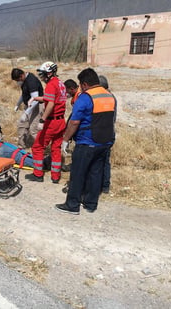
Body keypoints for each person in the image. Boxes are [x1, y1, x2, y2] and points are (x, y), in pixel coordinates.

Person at [56, 68, 115, 215]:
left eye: (81, 85)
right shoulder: (109, 96)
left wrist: (65, 140)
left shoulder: (85, 97)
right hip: (105, 141)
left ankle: (72, 205)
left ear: (85, 84)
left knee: (78, 174)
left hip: (87, 142)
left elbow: (74, 122)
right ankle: (90, 204)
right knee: (96, 173)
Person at [25, 61, 67, 184]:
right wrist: (35, 98)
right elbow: (50, 98)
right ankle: (55, 176)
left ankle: (38, 174)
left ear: (49, 73)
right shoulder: (60, 84)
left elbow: (51, 103)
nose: (41, 77)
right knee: (56, 148)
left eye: (43, 74)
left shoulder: (51, 84)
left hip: (51, 122)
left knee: (37, 147)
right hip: (60, 122)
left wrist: (42, 119)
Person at [11, 68, 44, 149]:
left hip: (37, 106)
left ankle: (40, 149)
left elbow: (35, 99)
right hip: (29, 106)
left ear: (22, 75)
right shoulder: (24, 81)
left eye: (18, 79)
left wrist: (26, 113)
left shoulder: (31, 81)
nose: (18, 82)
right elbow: (24, 94)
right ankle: (21, 147)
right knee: (21, 125)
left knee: (33, 129)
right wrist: (18, 104)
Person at [98, 75, 117, 194]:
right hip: (110, 132)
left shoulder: (104, 98)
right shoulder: (112, 97)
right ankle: (105, 186)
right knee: (105, 161)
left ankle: (101, 185)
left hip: (102, 133)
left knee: (99, 161)